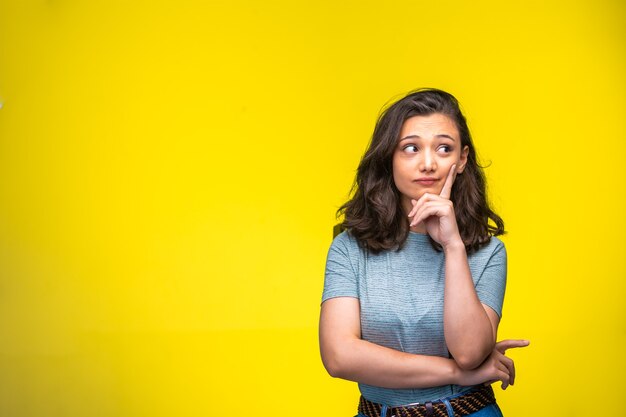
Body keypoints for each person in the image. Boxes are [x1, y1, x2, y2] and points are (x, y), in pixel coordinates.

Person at [319, 88, 529, 417]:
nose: (428, 163)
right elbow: (339, 357)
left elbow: (471, 352)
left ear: (461, 160)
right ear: (390, 156)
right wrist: (458, 374)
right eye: (411, 148)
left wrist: (453, 246)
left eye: (444, 148)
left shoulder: (489, 252)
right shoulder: (349, 248)